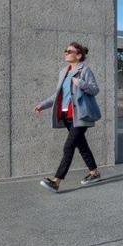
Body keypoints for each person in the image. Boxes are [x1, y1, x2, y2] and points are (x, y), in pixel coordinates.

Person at [34, 41, 102, 192]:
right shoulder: (63, 72)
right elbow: (57, 95)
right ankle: (94, 172)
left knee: (69, 147)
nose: (66, 52)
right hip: (66, 115)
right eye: (65, 50)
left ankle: (56, 181)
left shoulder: (85, 70)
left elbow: (95, 89)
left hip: (80, 116)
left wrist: (81, 83)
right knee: (81, 145)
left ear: (78, 55)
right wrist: (42, 105)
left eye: (69, 51)